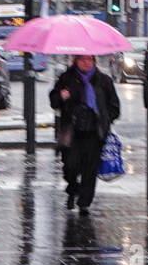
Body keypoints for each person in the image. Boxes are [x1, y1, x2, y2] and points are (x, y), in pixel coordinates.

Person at [49, 54, 120, 213]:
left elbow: (114, 106)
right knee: (70, 166)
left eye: (89, 59)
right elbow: (54, 101)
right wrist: (61, 96)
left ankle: (84, 202)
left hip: (95, 132)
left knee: (90, 168)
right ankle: (73, 188)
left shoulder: (103, 81)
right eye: (82, 59)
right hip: (72, 131)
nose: (86, 63)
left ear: (94, 61)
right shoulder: (66, 78)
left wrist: (106, 119)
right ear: (76, 61)